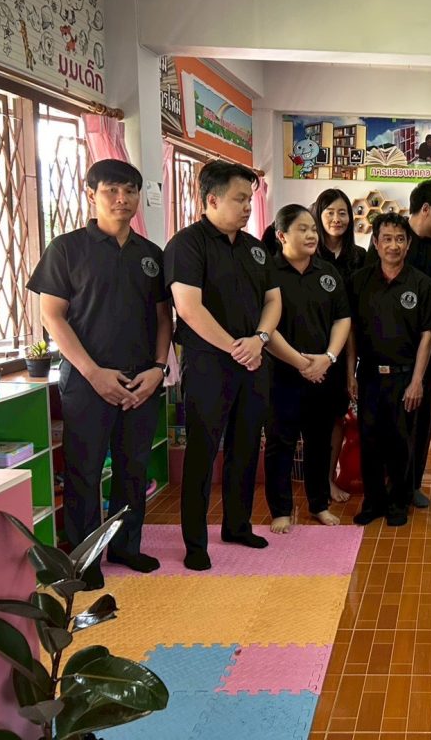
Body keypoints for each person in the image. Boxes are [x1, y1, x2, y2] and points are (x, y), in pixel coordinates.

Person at [27, 159, 171, 589]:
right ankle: (84, 560)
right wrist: (94, 374)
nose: (122, 198)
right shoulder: (66, 249)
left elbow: (164, 319)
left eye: (130, 190)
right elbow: (52, 317)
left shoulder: (151, 255)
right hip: (86, 381)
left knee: (133, 468)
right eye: (111, 190)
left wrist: (158, 369)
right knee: (84, 471)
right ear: (91, 194)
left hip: (141, 382)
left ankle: (126, 546)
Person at [164, 161, 281, 571]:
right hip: (209, 363)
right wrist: (237, 348)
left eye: (249, 199)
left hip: (253, 360)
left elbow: (273, 300)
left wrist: (259, 340)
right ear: (212, 200)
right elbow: (189, 309)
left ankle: (237, 525)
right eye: (239, 199)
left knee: (246, 445)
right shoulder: (187, 244)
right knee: (202, 451)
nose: (247, 206)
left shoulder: (255, 248)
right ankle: (195, 542)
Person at [366, 180, 431, 507]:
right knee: (382, 424)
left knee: (419, 423)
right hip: (387, 353)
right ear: (427, 209)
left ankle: (411, 483)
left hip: (427, 353)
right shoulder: (391, 239)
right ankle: (382, 484)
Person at [261, 204, 351, 532]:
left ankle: (319, 504)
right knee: (280, 443)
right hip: (280, 375)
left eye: (313, 228)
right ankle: (281, 510)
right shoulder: (267, 272)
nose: (312, 234)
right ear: (282, 235)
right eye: (303, 229)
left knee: (319, 442)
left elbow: (342, 318)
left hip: (323, 374)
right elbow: (265, 328)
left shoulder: (328, 273)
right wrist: (301, 362)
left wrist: (328, 357)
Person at [349, 213, 431, 527]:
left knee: (402, 442)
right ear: (375, 243)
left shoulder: (421, 284)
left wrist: (417, 381)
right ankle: (373, 501)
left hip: (405, 377)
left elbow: (428, 334)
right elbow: (350, 331)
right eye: (386, 239)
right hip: (369, 376)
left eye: (399, 239)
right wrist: (350, 374)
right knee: (370, 440)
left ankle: (398, 501)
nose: (393, 245)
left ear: (408, 244)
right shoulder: (360, 281)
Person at [315, 188, 366, 504]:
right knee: (310, 420)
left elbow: (354, 318)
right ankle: (313, 481)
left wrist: (350, 369)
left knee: (336, 416)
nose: (337, 218)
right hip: (307, 349)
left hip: (346, 346)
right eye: (330, 212)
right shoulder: (309, 252)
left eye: (342, 212)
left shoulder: (359, 257)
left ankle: (327, 480)